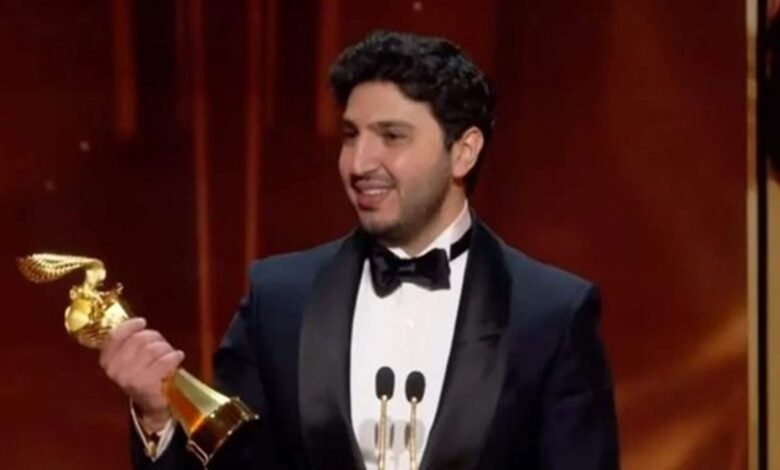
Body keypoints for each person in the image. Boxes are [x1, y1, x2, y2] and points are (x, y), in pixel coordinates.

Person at [100, 30, 620, 470]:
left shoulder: (550, 314)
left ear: (464, 152)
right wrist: (156, 416)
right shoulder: (279, 300)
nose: (359, 163)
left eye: (392, 136)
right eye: (351, 136)